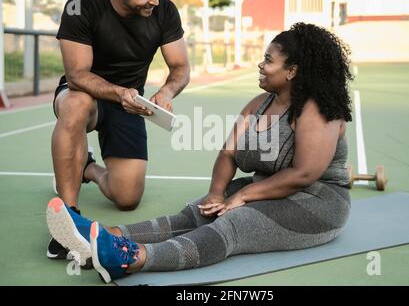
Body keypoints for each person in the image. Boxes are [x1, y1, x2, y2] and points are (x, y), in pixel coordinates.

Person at [46, 22, 353, 283]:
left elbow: (304, 174)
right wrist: (217, 193)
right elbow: (228, 154)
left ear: (292, 71)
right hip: (270, 190)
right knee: (197, 212)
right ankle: (104, 235)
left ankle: (133, 258)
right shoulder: (259, 104)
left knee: (233, 224)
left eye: (268, 60)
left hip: (317, 203)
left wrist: (242, 196)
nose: (261, 65)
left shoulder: (317, 109)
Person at [47, 0, 190, 265]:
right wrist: (119, 92)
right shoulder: (81, 5)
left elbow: (180, 67)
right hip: (82, 94)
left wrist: (167, 92)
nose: (155, 0)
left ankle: (85, 166)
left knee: (127, 198)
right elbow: (77, 75)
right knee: (76, 106)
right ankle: (68, 217)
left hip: (129, 101)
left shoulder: (165, 10)